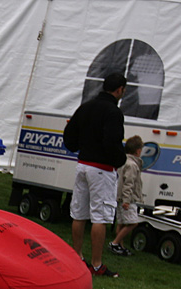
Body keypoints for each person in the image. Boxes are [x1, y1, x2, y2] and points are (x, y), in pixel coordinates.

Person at [63, 72, 128, 277]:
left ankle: (77, 257)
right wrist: (120, 160)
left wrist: (78, 147)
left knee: (79, 212)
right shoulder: (113, 112)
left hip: (83, 164)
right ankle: (97, 264)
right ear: (119, 90)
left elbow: (69, 135)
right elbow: (112, 142)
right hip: (102, 168)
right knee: (100, 216)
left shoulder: (86, 107)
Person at [110, 135, 144, 256]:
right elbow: (128, 183)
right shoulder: (132, 165)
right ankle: (115, 243)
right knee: (132, 223)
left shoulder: (123, 161)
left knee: (122, 222)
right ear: (138, 151)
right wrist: (126, 200)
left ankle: (120, 246)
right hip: (128, 199)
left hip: (120, 197)